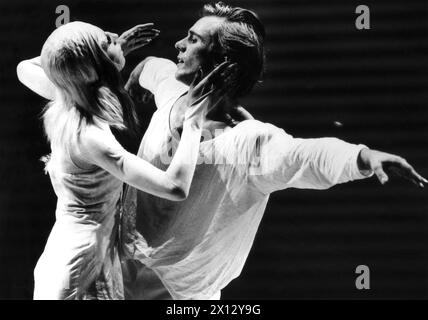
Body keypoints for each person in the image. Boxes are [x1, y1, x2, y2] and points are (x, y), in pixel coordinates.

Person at [120, 2, 427, 300]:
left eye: (193, 39)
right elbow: (151, 68)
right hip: (119, 267)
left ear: (223, 63)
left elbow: (306, 156)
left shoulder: (249, 142)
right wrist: (133, 81)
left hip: (179, 294)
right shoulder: (171, 92)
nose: (178, 44)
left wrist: (362, 157)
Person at [16, 21, 233, 299]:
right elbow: (174, 187)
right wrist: (193, 118)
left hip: (66, 246)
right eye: (107, 40)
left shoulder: (68, 94)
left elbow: (27, 67)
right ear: (94, 66)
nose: (116, 37)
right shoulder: (90, 135)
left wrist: (105, 54)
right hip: (83, 266)